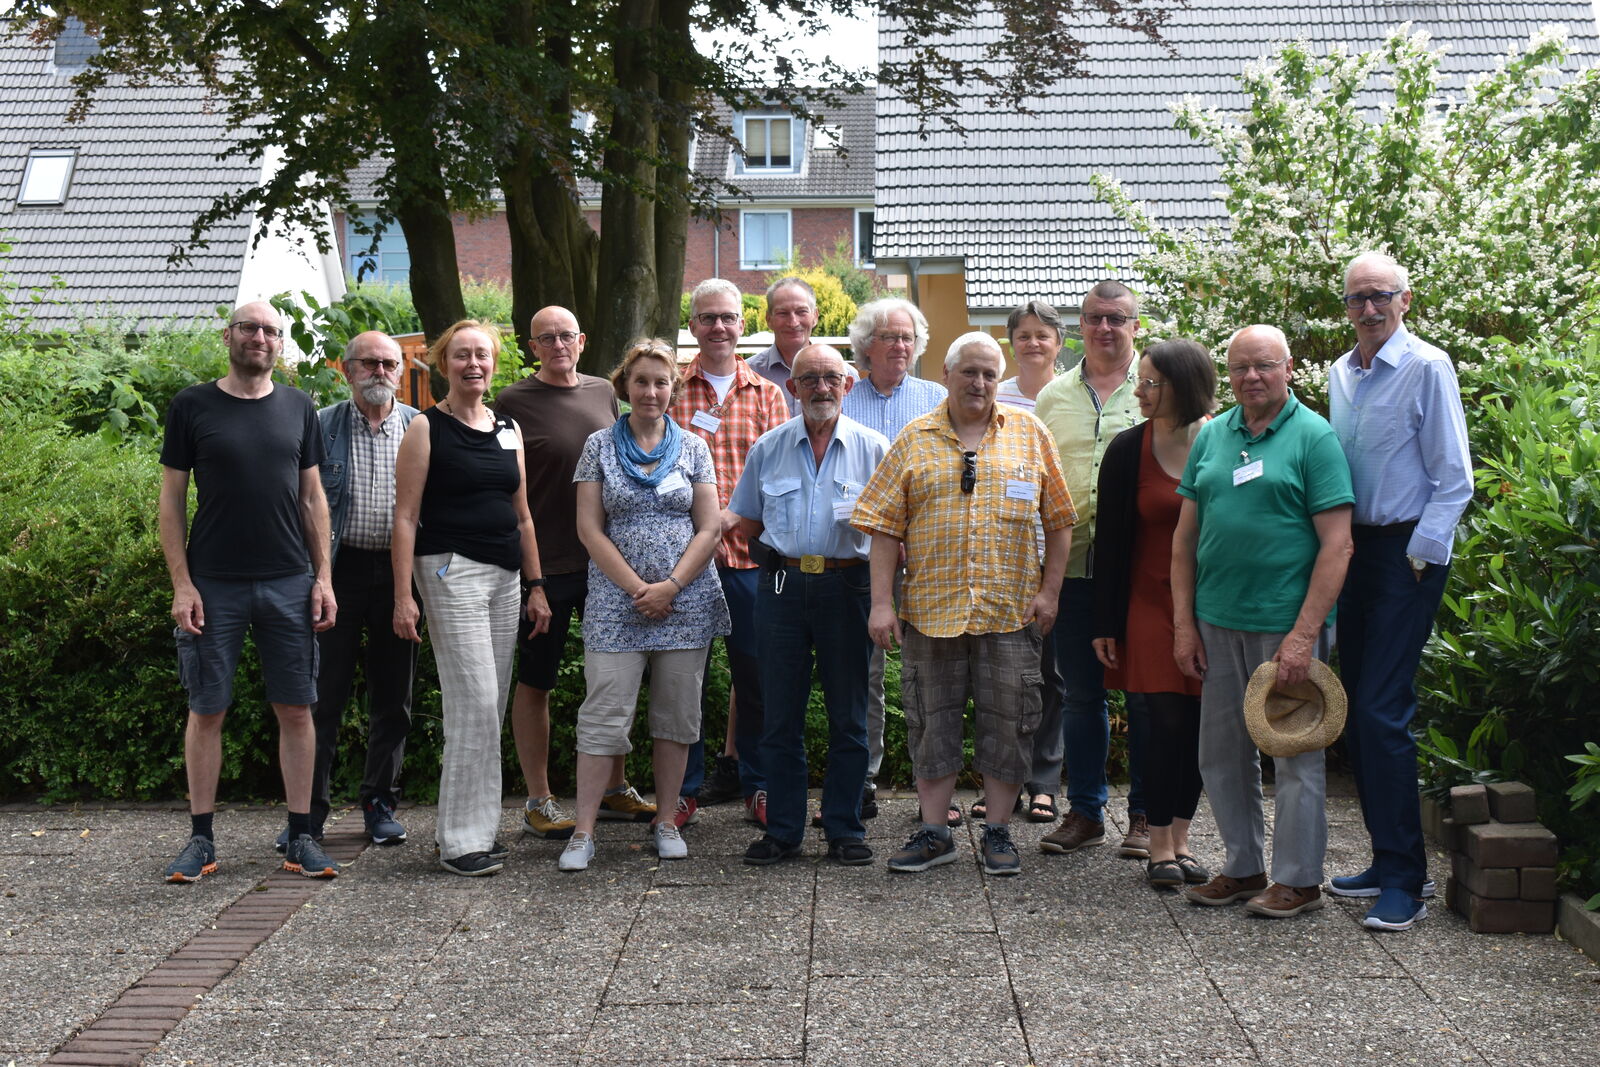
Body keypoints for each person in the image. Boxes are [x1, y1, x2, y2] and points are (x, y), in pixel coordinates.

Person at [853, 332, 1075, 877]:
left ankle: (998, 832)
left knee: (1011, 722)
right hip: (930, 611)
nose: (978, 383)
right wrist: (882, 604)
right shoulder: (913, 438)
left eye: (989, 374)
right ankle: (934, 833)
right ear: (946, 375)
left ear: (999, 380)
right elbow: (884, 529)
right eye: (968, 372)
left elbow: (1061, 520)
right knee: (931, 723)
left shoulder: (1030, 433)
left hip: (1009, 610)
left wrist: (1050, 593)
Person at [1172, 324, 1354, 918]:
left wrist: (1304, 637)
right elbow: (1184, 540)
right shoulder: (1213, 437)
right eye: (1241, 367)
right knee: (1220, 754)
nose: (1252, 377)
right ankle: (1243, 867)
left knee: (1294, 755)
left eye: (1265, 366)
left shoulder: (1313, 437)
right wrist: (1183, 623)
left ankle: (1299, 880)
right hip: (1216, 621)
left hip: (1284, 626)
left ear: (1289, 368)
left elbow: (1338, 546)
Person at [157, 299, 341, 882]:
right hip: (214, 585)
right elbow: (169, 501)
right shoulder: (192, 406)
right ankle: (202, 840)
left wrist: (324, 576)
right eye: (248, 327)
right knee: (206, 708)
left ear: (279, 344)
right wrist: (182, 583)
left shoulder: (298, 406)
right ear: (228, 335)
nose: (259, 337)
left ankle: (302, 835)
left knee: (297, 708)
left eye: (269, 330)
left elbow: (313, 498)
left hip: (290, 581)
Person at [1326, 252, 1472, 932]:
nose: (1368, 308)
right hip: (1353, 549)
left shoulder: (1427, 367)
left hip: (1406, 554)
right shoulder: (1339, 374)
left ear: (1405, 299)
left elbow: (1455, 478)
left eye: (1380, 295)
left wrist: (1419, 557)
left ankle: (1407, 884)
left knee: (1383, 710)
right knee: (1358, 705)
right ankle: (1385, 861)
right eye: (1357, 298)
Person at [557, 339, 730, 871]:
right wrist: (639, 588)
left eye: (661, 382)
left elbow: (709, 527)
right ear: (623, 387)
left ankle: (664, 821)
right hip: (616, 601)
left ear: (673, 389)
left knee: (676, 717)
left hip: (686, 601)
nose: (651, 391)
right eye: (641, 381)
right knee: (604, 714)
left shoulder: (695, 448)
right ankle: (582, 832)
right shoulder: (598, 446)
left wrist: (671, 586)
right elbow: (589, 528)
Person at [392, 320, 553, 877]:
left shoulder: (508, 427)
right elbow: (406, 516)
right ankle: (459, 842)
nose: (473, 364)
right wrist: (402, 595)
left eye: (482, 355)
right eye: (462, 355)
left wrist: (536, 587)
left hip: (506, 578)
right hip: (449, 572)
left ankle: (479, 830)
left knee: (493, 702)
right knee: (476, 704)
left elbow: (524, 515)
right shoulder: (424, 428)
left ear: (494, 363)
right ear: (444, 363)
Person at [494, 307, 657, 839]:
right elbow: (507, 491)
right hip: (546, 566)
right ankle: (539, 798)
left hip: (606, 565)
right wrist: (531, 579)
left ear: (581, 341)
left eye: (566, 335)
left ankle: (614, 786)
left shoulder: (603, 394)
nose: (558, 344)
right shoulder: (513, 402)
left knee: (614, 678)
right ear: (532, 345)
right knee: (537, 679)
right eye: (547, 337)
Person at [730, 344, 889, 867]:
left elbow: (893, 533)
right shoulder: (767, 448)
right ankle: (783, 831)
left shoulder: (875, 448)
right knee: (780, 716)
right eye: (809, 379)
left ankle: (844, 827)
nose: (820, 388)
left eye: (830, 378)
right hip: (781, 587)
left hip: (849, 587)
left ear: (846, 384)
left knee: (849, 716)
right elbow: (746, 521)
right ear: (792, 387)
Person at [1090, 339, 1217, 888]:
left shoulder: (1223, 440)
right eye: (1139, 381)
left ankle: (1184, 839)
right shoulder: (1127, 449)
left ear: (1181, 387)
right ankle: (1159, 841)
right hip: (1146, 603)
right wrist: (1105, 620)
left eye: (1149, 383)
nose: (1137, 392)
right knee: (1163, 721)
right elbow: (1110, 542)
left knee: (1199, 729)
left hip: (1212, 605)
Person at [668, 279, 790, 828]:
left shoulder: (767, 393)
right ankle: (682, 788)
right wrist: (698, 536)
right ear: (692, 324)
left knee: (755, 678)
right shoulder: (670, 389)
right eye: (707, 317)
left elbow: (780, 478)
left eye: (728, 317)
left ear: (744, 325)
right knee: (683, 680)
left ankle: (759, 785)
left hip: (747, 559)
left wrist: (724, 524)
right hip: (681, 564)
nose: (718, 327)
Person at [1035, 281, 1150, 858]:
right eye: (1095, 318)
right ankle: (1085, 811)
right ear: (1079, 326)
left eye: (1117, 318)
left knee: (1149, 695)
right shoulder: (1053, 397)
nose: (1105, 328)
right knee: (1082, 695)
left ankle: (1147, 819)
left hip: (1142, 569)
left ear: (1136, 325)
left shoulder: (1158, 390)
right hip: (1075, 564)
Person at [301, 331, 418, 852]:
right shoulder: (320, 426)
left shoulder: (421, 427)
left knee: (394, 699)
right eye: (368, 363)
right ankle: (308, 816)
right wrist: (314, 577)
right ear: (346, 370)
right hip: (337, 574)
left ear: (401, 369)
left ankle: (379, 804)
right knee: (321, 699)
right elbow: (300, 503)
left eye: (389, 363)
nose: (379, 371)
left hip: (401, 577)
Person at [839, 297, 946, 819]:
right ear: (865, 346)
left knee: (933, 673)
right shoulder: (843, 397)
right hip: (866, 559)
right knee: (869, 672)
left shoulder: (937, 398)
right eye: (888, 337)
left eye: (907, 337)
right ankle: (865, 777)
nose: (900, 346)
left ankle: (935, 779)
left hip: (928, 560)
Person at [982, 299, 1067, 826]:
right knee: (1000, 676)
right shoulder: (998, 394)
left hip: (1055, 554)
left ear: (1059, 342)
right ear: (1011, 342)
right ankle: (1002, 783)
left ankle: (1045, 781)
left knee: (1051, 677)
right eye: (1025, 335)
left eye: (1043, 335)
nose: (1033, 343)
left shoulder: (1068, 397)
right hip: (1004, 557)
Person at [746, 276, 858, 416]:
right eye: (783, 313)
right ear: (769, 319)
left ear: (815, 316)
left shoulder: (844, 374)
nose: (793, 322)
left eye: (801, 312)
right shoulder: (749, 375)